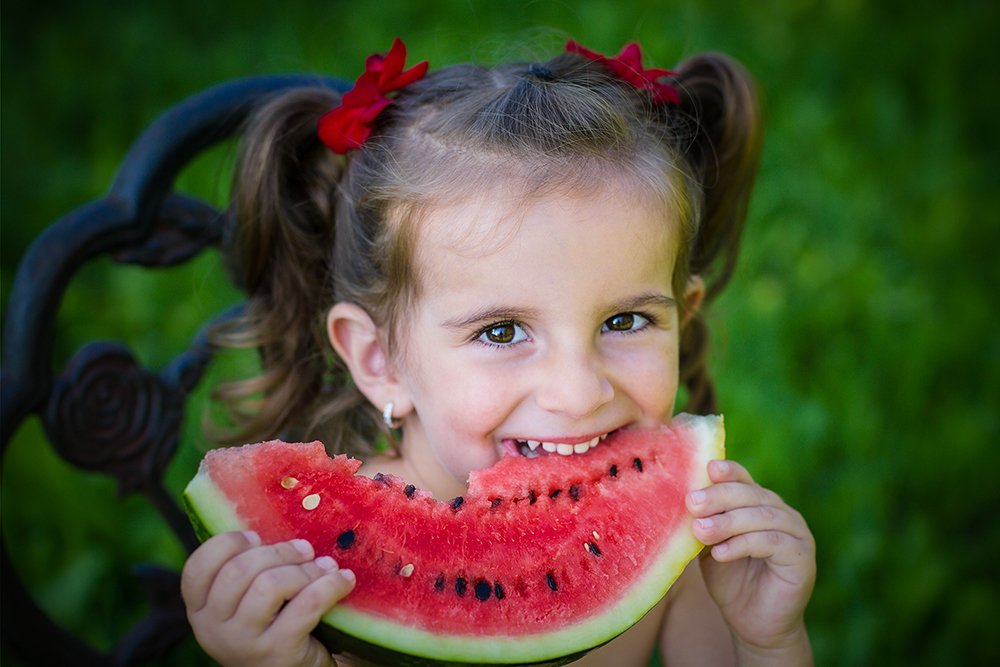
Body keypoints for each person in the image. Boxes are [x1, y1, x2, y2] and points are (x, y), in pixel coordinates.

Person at [180, 37, 816, 667]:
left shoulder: (686, 542)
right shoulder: (326, 570)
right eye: (502, 331)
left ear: (686, 316)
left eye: (626, 320)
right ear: (381, 361)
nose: (578, 392)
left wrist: (767, 640)